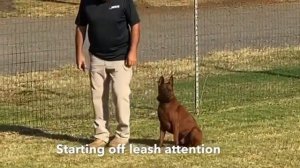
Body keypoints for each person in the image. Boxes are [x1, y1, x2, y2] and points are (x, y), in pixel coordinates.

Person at [74, 0, 141, 147]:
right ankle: (101, 135)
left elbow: (135, 25)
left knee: (120, 94)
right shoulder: (86, 2)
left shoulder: (124, 2)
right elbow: (81, 27)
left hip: (122, 58)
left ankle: (122, 135)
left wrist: (133, 51)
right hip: (97, 58)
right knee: (97, 97)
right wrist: (79, 53)